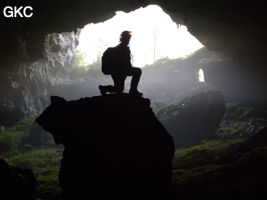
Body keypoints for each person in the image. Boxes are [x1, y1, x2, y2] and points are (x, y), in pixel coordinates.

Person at [99, 31, 143, 96]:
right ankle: (133, 90)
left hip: (117, 72)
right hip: (120, 71)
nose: (128, 40)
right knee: (137, 71)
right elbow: (127, 63)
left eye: (129, 39)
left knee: (119, 89)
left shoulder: (118, 49)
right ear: (123, 39)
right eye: (128, 39)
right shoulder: (123, 49)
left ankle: (104, 88)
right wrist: (129, 69)